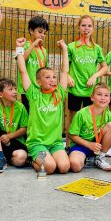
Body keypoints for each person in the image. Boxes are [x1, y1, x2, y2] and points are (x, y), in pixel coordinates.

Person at [16, 37, 70, 175]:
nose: (52, 80)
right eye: (47, 77)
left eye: (53, 77)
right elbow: (22, 70)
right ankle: (33, 161)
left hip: (55, 144)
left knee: (64, 167)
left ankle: (46, 158)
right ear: (38, 82)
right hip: (37, 144)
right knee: (49, 167)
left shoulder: (59, 94)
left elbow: (64, 72)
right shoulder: (34, 94)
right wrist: (19, 48)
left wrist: (64, 49)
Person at [67, 15, 108, 146]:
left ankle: (88, 146)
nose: (86, 28)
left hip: (90, 91)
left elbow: (105, 67)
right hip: (75, 89)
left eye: (89, 26)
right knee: (73, 117)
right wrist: (67, 76)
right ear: (79, 28)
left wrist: (95, 76)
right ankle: (68, 146)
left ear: (93, 29)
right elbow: (65, 67)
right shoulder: (71, 47)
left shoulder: (97, 48)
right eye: (83, 25)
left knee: (90, 119)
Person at [68, 83, 111, 172]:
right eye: (99, 94)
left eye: (106, 95)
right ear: (92, 97)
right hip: (82, 145)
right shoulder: (82, 114)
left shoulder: (108, 114)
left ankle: (99, 158)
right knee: (75, 166)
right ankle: (86, 159)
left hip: (99, 146)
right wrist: (89, 145)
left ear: (109, 99)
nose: (103, 98)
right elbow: (71, 135)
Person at [0, 78, 29, 173]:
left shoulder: (20, 107)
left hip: (14, 141)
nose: (15, 92)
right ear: (0, 94)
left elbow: (24, 128)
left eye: (15, 89)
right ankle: (0, 156)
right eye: (10, 89)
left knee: (21, 158)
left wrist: (10, 136)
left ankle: (5, 160)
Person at [18, 16, 49, 112]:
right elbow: (21, 60)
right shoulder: (24, 45)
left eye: (44, 33)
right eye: (40, 32)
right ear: (31, 31)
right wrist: (33, 45)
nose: (42, 35)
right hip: (26, 89)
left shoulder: (44, 50)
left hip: (40, 89)